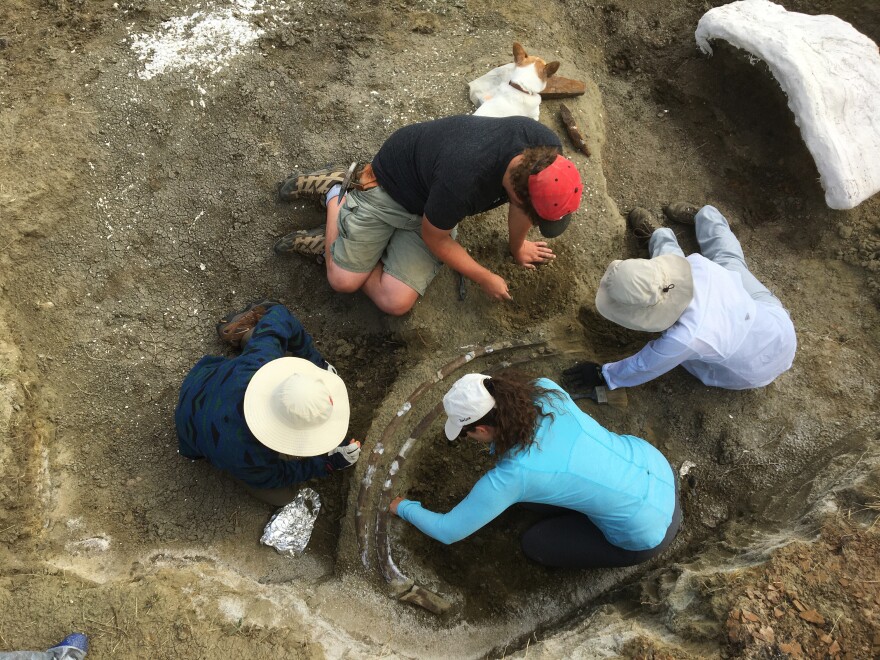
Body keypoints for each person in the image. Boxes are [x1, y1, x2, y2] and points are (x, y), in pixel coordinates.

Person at [275, 115, 584, 316]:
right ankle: (336, 195)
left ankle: (344, 244)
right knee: (342, 281)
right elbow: (435, 238)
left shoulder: (544, 151)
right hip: (391, 189)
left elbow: (524, 206)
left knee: (395, 302)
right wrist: (484, 276)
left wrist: (518, 247)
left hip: (431, 203)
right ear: (517, 194)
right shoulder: (463, 179)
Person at [389, 371, 681, 569]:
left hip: (644, 532)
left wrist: (403, 507)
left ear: (481, 428)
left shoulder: (513, 476)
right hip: (654, 466)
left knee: (536, 543)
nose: (467, 439)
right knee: (537, 495)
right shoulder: (547, 390)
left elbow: (448, 530)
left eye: (467, 434)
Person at [563, 203, 797, 392]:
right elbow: (671, 269)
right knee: (729, 260)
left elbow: (646, 365)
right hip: (773, 321)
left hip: (751, 370)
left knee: (686, 358)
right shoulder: (697, 267)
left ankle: (665, 232)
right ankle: (699, 218)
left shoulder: (685, 337)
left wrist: (604, 376)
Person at [175, 300, 361, 506]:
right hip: (198, 436)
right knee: (285, 497)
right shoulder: (249, 454)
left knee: (275, 345)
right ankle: (246, 334)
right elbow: (276, 476)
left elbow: (279, 314)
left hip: (202, 380)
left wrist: (315, 361)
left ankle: (245, 332)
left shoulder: (260, 361)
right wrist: (327, 463)